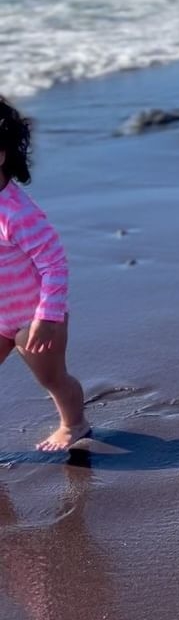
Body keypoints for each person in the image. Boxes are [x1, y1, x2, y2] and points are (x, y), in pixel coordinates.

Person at [0, 97, 89, 451]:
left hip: (32, 317)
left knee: (51, 378)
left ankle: (75, 424)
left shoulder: (17, 213)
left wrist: (48, 317)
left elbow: (53, 263)